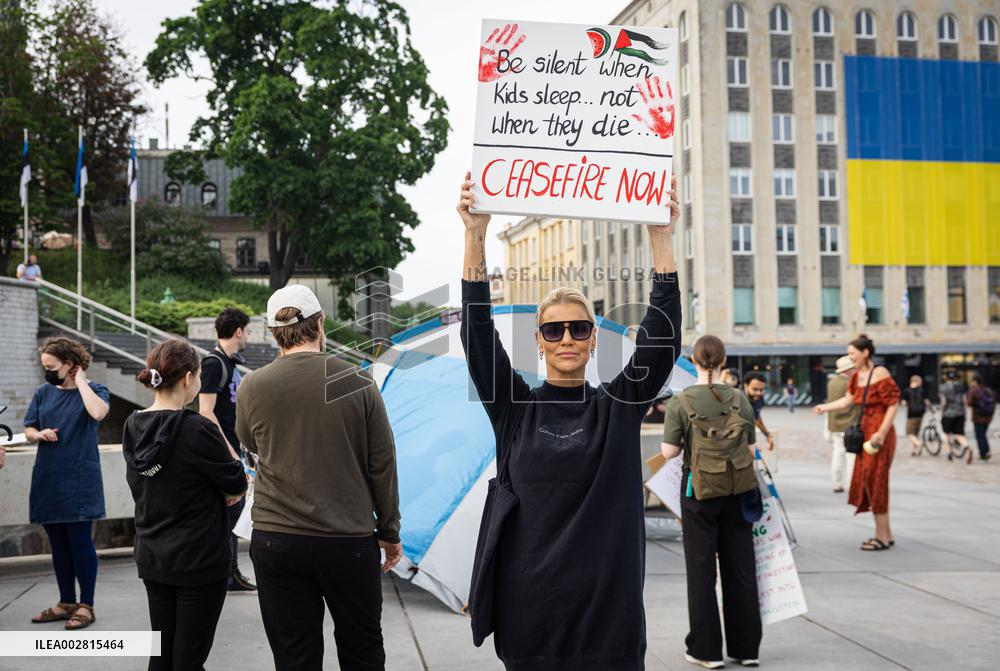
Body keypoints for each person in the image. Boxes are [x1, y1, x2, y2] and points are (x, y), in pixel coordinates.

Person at [458, 172, 682, 670]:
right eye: (553, 329)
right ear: (538, 339)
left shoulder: (617, 409)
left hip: (609, 619)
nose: (566, 338)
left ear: (592, 339)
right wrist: (475, 233)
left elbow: (661, 341)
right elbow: (477, 334)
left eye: (578, 328)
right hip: (530, 613)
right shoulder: (515, 410)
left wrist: (661, 238)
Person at [236, 284, 401, 671]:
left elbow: (248, 441)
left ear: (275, 332)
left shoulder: (252, 386)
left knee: (294, 656)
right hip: (347, 540)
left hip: (278, 539)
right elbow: (382, 464)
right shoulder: (357, 381)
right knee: (362, 651)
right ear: (320, 323)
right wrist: (389, 531)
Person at [123, 340, 248, 671]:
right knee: (190, 659)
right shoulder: (198, 429)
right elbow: (236, 484)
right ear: (190, 377)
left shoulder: (133, 425)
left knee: (162, 655)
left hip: (152, 555)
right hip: (199, 559)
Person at [661, 335, 761, 669]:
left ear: (693, 359)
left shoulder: (681, 402)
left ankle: (705, 650)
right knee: (741, 570)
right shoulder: (740, 399)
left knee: (701, 572)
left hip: (698, 494)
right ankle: (746, 649)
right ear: (723, 360)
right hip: (738, 492)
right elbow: (750, 450)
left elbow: (669, 453)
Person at [24, 337, 110, 629]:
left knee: (80, 542)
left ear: (70, 364)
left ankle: (87, 605)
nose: (47, 371)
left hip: (80, 480)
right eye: (44, 366)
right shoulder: (42, 393)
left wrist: (81, 381)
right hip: (48, 477)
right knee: (58, 544)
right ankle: (66, 601)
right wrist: (38, 434)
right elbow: (28, 429)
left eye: (51, 366)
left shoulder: (95, 390)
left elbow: (98, 413)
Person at [815, 335, 900, 551]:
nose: (850, 357)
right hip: (865, 433)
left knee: (876, 481)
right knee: (869, 481)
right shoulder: (857, 377)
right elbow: (848, 400)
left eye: (852, 353)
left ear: (865, 353)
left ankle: (881, 536)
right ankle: (886, 533)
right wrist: (825, 407)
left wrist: (881, 433)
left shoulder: (879, 373)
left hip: (878, 435)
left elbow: (893, 404)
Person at [198, 307, 255, 592]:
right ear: (238, 331)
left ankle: (230, 573)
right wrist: (231, 452)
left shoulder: (229, 363)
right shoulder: (213, 364)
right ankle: (226, 574)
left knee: (233, 513)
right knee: (229, 514)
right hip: (223, 454)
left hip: (233, 450)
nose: (247, 337)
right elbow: (205, 411)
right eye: (247, 331)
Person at [825, 356, 858, 493]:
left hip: (835, 424)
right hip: (849, 424)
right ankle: (852, 484)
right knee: (851, 456)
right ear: (849, 369)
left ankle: (836, 483)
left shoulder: (832, 382)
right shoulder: (850, 384)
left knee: (837, 454)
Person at [939, 370, 971, 463]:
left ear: (946, 377)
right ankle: (966, 446)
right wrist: (965, 414)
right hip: (960, 413)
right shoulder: (961, 386)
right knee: (959, 434)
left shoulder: (943, 387)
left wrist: (941, 412)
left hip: (948, 414)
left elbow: (944, 402)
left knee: (947, 434)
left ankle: (949, 453)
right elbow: (965, 401)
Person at [743, 372, 775, 451]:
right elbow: (753, 420)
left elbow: (756, 417)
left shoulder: (759, 399)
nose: (759, 393)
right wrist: (750, 445)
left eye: (761, 390)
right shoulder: (739, 401)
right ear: (746, 386)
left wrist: (767, 435)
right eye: (755, 389)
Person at [967, 374, 995, 461]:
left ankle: (983, 453)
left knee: (980, 436)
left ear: (975, 382)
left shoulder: (974, 391)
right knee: (983, 435)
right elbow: (993, 403)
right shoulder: (989, 390)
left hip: (978, 417)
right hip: (987, 418)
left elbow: (969, 403)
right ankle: (986, 451)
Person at [901, 375, 930, 456]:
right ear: (916, 381)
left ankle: (918, 443)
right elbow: (927, 402)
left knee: (909, 432)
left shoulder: (907, 391)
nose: (921, 382)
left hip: (911, 414)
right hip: (921, 413)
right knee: (915, 433)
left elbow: (903, 403)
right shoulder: (922, 390)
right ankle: (914, 451)